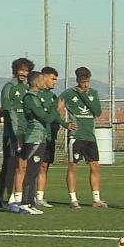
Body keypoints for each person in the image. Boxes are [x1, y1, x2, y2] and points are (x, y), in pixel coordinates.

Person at [19, 71, 73, 214]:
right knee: (31, 171)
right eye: (43, 79)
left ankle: (30, 203)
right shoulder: (30, 98)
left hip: (40, 138)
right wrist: (58, 109)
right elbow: (46, 118)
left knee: (35, 171)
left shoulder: (36, 97)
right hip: (34, 139)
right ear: (37, 82)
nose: (45, 82)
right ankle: (25, 203)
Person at [58, 66, 108, 209]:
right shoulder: (68, 94)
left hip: (90, 136)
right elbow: (56, 111)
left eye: (88, 81)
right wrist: (65, 123)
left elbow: (97, 112)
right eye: (83, 81)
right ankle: (73, 199)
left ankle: (96, 199)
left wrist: (85, 96)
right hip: (76, 136)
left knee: (95, 166)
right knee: (73, 166)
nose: (85, 84)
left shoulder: (93, 93)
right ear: (78, 80)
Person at [0, 58, 33, 210]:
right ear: (15, 70)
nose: (24, 73)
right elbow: (7, 107)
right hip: (12, 133)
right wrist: (1, 115)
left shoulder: (28, 88)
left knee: (23, 166)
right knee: (9, 166)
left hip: (27, 132)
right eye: (21, 70)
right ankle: (1, 198)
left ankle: (16, 197)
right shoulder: (9, 86)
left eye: (26, 71)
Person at [36, 66, 62, 208]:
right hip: (37, 136)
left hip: (50, 136)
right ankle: (23, 196)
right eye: (53, 79)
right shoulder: (35, 94)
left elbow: (55, 116)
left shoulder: (52, 97)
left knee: (44, 166)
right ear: (44, 77)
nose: (54, 82)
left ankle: (39, 197)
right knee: (32, 166)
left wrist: (65, 124)